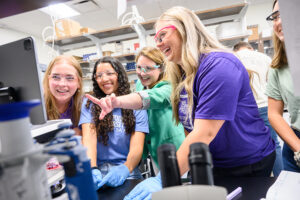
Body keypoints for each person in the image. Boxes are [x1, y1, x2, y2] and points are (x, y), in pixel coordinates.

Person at [124, 6, 276, 200]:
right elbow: (191, 126)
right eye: (156, 39)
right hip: (215, 163)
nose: (159, 44)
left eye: (162, 35)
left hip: (247, 164)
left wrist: (164, 178)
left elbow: (205, 132)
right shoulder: (184, 73)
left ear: (185, 29)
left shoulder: (219, 65)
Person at [86, 47, 185, 168]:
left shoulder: (169, 87)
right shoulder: (140, 84)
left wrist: (116, 101)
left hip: (174, 149)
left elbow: (152, 97)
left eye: (148, 68)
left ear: (161, 68)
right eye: (139, 67)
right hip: (153, 151)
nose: (142, 73)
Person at [79, 56, 149, 190]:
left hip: (128, 173)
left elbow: (137, 147)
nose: (104, 79)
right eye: (99, 75)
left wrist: (125, 169)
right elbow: (88, 139)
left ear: (120, 76)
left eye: (110, 73)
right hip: (97, 173)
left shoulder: (135, 105)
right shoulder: (90, 104)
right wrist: (92, 168)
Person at [234, 41, 283, 176]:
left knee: (252, 148)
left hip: (247, 109)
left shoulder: (233, 58)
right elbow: (273, 82)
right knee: (275, 145)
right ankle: (280, 180)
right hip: (267, 105)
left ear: (236, 49)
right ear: (250, 48)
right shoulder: (264, 57)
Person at [266, 0, 300, 172]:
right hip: (295, 144)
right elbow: (273, 113)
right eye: (275, 16)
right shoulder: (278, 67)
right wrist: (298, 147)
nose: (279, 21)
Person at [43, 55, 83, 135]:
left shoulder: (84, 105)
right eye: (55, 77)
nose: (62, 84)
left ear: (78, 82)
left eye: (70, 78)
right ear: (48, 80)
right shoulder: (37, 108)